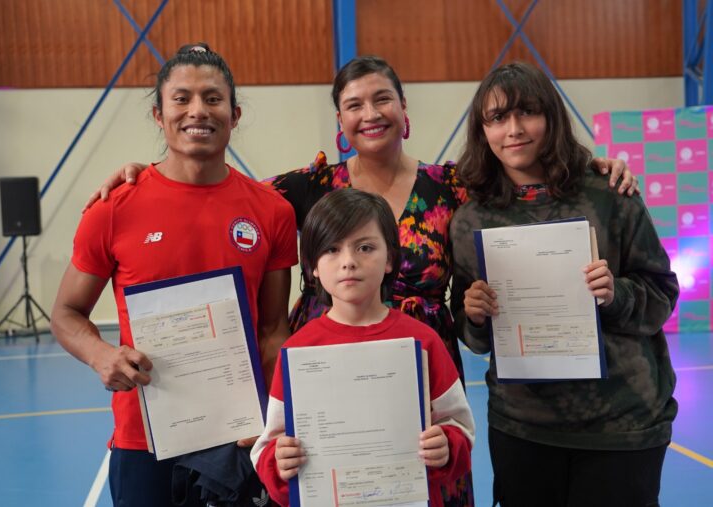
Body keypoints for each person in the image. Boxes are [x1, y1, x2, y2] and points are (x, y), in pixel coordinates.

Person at [82, 55, 638, 505]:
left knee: (429, 480)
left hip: (422, 368)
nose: (370, 113)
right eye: (354, 104)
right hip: (326, 370)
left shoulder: (453, 186)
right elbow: (215, 189)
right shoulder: (303, 188)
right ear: (341, 122)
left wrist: (590, 165)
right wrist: (146, 176)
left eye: (382, 99)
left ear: (403, 109)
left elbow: (519, 172)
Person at [50, 43, 298, 507]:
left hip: (240, 434)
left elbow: (272, 331)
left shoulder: (272, 211)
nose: (197, 110)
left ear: (235, 114)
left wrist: (273, 417)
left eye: (213, 98)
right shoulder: (113, 208)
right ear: (158, 115)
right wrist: (101, 355)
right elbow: (66, 313)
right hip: (143, 439)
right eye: (181, 98)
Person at [450, 62, 679, 507]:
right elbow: (474, 334)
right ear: (482, 130)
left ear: (551, 117)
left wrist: (615, 294)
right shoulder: (470, 220)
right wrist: (474, 315)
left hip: (622, 425)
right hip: (523, 428)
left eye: (527, 112)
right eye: (497, 117)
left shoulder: (609, 194)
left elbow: (662, 293)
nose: (514, 129)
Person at [250, 188, 476, 507]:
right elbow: (269, 446)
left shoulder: (422, 341)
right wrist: (279, 463)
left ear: (390, 259)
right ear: (313, 266)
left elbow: (460, 427)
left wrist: (446, 447)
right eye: (331, 249)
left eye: (365, 247)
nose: (349, 262)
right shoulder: (298, 351)